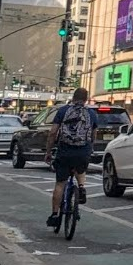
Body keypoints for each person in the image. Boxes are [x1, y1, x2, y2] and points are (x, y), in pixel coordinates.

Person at [44, 88, 97, 228]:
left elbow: (53, 133)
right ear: (86, 99)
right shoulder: (91, 113)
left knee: (60, 183)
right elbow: (93, 135)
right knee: (81, 169)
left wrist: (48, 152)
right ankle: (81, 187)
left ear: (73, 97)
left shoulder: (62, 111)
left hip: (65, 151)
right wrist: (90, 149)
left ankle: (55, 215)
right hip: (82, 151)